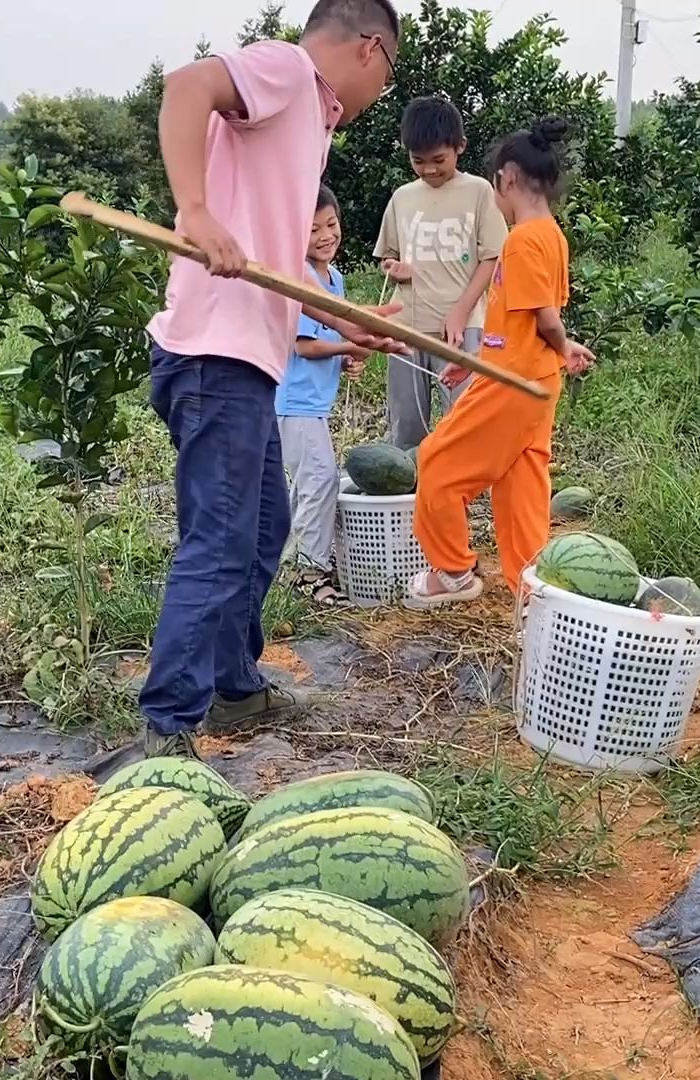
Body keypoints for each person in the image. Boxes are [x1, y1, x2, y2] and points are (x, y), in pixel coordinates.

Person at [134, 0, 408, 760]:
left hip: (248, 360)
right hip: (213, 359)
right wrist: (194, 210)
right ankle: (169, 725)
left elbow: (276, 278)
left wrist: (342, 327)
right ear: (370, 50)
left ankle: (233, 687)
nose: (380, 94)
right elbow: (188, 85)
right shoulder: (288, 71)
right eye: (387, 76)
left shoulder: (306, 127)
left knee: (261, 529)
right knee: (220, 539)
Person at [405, 117, 596, 607]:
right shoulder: (552, 235)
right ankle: (530, 589)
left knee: (438, 463)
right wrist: (474, 361)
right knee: (521, 487)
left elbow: (545, 317)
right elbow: (521, 324)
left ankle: (453, 570)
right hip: (531, 379)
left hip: (514, 384)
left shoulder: (524, 240)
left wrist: (562, 343)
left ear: (507, 179)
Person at [375, 95, 508, 450]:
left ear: (459, 147)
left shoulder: (479, 192)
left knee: (464, 417)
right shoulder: (403, 197)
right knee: (406, 421)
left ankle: (457, 492)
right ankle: (409, 495)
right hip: (406, 326)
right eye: (418, 161)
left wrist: (461, 310)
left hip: (462, 328)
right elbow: (387, 257)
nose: (429, 170)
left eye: (438, 160)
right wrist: (395, 268)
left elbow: (492, 258)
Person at [277, 185, 370, 607]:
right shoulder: (301, 278)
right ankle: (310, 572)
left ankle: (295, 562)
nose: (325, 236)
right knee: (319, 479)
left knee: (309, 484)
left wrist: (348, 359)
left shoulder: (336, 279)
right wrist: (347, 348)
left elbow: (332, 336)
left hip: (312, 403)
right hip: (293, 402)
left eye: (330, 224)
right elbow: (304, 345)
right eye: (312, 230)